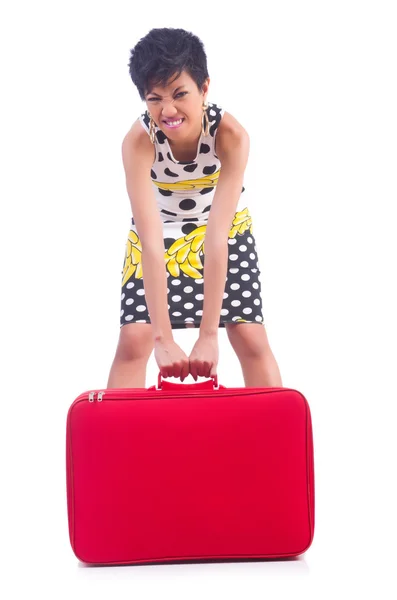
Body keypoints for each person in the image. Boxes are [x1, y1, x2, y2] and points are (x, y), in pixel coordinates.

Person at [106, 27, 282, 388]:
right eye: (154, 99)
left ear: (204, 88)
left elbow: (217, 237)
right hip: (159, 229)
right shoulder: (138, 142)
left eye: (180, 94)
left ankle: (274, 438)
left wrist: (209, 335)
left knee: (250, 336)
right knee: (133, 340)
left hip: (223, 228)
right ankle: (121, 441)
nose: (167, 110)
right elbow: (150, 241)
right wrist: (162, 338)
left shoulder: (231, 136)